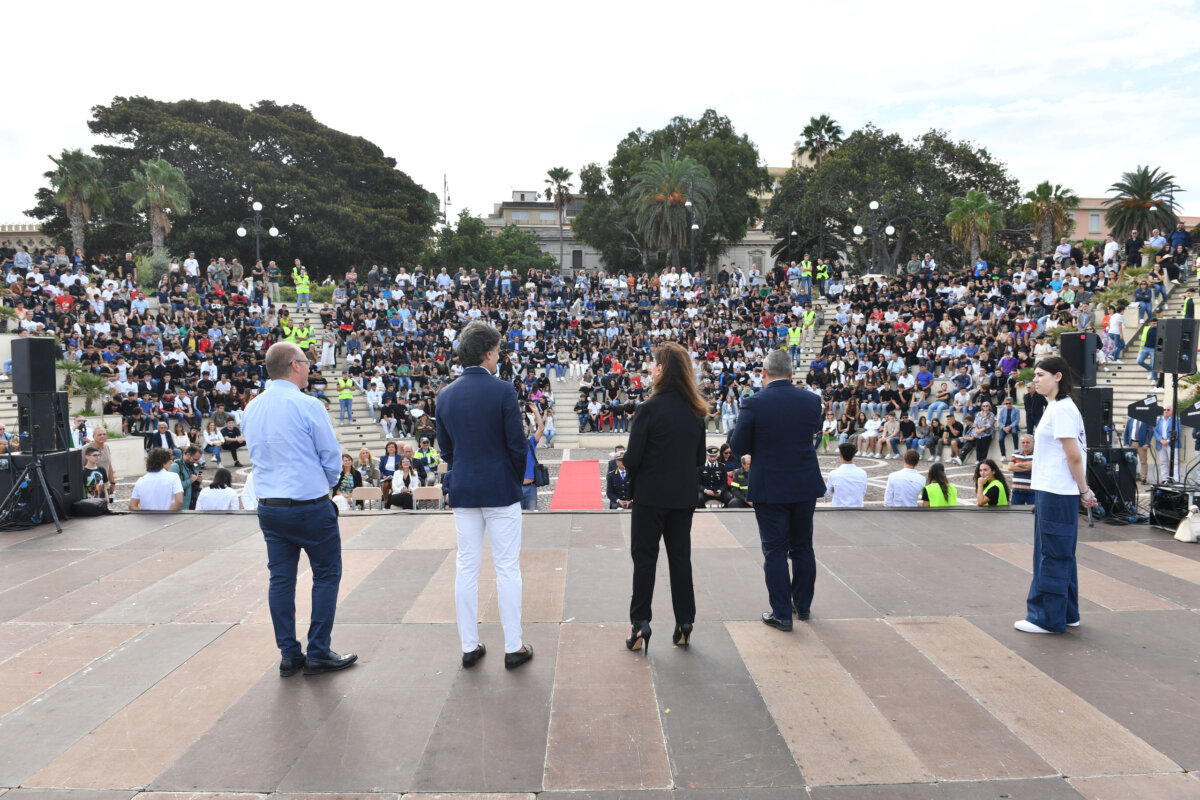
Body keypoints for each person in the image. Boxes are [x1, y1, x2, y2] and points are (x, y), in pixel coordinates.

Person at [243, 341, 356, 677]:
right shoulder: (308, 406)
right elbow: (331, 458)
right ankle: (318, 650)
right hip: (309, 506)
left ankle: (289, 654)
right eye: (306, 362)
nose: (310, 368)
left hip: (270, 508)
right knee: (325, 575)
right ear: (294, 365)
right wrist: (326, 485)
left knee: (280, 580)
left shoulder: (252, 408)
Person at [434, 321, 533, 670]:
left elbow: (446, 449)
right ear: (489, 353)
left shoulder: (444, 394)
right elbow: (517, 445)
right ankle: (513, 646)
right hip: (500, 489)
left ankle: (469, 646)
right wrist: (514, 477)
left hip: (464, 489)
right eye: (498, 352)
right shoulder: (503, 390)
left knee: (466, 567)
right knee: (507, 568)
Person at [729, 348, 824, 632]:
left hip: (770, 485)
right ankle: (803, 605)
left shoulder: (754, 403)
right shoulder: (811, 400)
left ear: (763, 373)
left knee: (775, 551)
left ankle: (782, 613)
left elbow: (737, 446)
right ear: (792, 374)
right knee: (803, 546)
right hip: (804, 482)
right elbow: (812, 429)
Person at [623, 341, 707, 652]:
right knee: (680, 560)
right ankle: (685, 622)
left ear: (662, 370)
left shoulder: (648, 409)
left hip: (649, 497)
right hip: (682, 498)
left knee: (645, 560)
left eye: (652, 364)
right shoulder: (695, 411)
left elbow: (633, 460)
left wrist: (626, 460)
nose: (649, 368)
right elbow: (699, 458)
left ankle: (640, 623)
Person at [1016, 355, 1097, 635]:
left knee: (1051, 554)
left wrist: (1084, 490)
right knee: (1061, 553)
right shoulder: (1061, 407)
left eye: (1040, 375)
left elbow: (1074, 456)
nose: (1035, 380)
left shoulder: (1061, 409)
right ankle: (1067, 613)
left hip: (1056, 491)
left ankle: (1046, 618)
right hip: (1057, 489)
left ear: (1058, 377)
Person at [825, 442, 868, 508]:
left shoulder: (833, 473)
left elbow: (829, 492)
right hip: (857, 509)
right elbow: (863, 491)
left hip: (838, 509)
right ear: (854, 455)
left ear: (840, 455)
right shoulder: (863, 473)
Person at [520, 403, 545, 510]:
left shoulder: (531, 442)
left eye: (525, 427)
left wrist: (536, 412)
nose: (524, 429)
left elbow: (541, 429)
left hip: (531, 487)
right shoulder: (511, 445)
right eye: (521, 427)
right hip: (516, 488)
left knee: (532, 516)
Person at [169, 445, 204, 510]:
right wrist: (190, 480)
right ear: (188, 454)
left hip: (190, 506)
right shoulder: (175, 466)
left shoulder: (191, 466)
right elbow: (172, 487)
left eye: (197, 460)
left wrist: (197, 481)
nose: (195, 462)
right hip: (178, 508)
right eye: (194, 459)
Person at [1009, 434, 1035, 505]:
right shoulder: (1015, 455)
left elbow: (1033, 466)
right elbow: (1010, 467)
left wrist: (1019, 464)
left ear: (1033, 443)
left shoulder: (1037, 455)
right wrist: (1027, 467)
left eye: (1027, 442)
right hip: (1017, 492)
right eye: (1023, 442)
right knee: (1016, 514)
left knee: (1033, 514)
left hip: (1032, 492)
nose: (1025, 444)